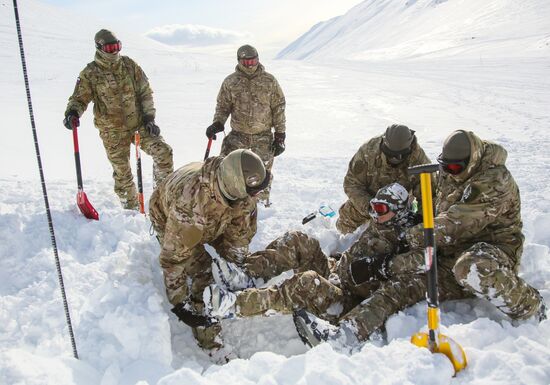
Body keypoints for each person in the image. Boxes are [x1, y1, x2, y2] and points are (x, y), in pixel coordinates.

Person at [294, 130, 546, 348]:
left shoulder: (495, 181)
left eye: (455, 168)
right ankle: (345, 335)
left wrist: (409, 237)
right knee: (399, 287)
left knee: (470, 267)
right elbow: (432, 207)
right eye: (445, 166)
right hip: (446, 253)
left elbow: (455, 223)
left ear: (473, 160)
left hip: (489, 251)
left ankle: (530, 306)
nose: (449, 172)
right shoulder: (450, 173)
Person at [202, 183, 421, 341]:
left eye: (381, 209)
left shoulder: (404, 241)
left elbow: (393, 290)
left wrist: (376, 270)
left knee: (307, 282)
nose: (374, 213)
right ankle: (246, 275)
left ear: (399, 212)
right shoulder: (381, 223)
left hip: (346, 300)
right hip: (338, 273)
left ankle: (236, 304)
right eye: (373, 206)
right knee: (299, 240)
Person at [148, 149, 270, 353]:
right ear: (237, 185)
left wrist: (235, 268)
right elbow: (173, 259)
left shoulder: (240, 192)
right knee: (204, 270)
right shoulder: (189, 207)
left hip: (215, 214)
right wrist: (180, 304)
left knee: (234, 260)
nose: (257, 196)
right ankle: (209, 338)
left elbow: (239, 237)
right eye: (253, 192)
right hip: (170, 216)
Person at [64, 29, 173, 210]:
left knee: (164, 152)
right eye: (110, 48)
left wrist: (149, 118)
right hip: (112, 131)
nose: (115, 51)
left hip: (138, 124)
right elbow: (79, 98)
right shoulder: (90, 73)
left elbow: (145, 92)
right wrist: (73, 113)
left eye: (117, 46)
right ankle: (130, 210)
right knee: (123, 173)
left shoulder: (129, 65)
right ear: (99, 48)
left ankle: (162, 199)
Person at [206, 44, 286, 205]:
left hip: (262, 135)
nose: (251, 65)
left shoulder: (269, 81)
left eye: (253, 61)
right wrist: (217, 123)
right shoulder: (231, 82)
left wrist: (280, 135)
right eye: (247, 62)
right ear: (239, 61)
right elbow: (222, 106)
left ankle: (261, 205)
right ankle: (226, 200)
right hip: (238, 135)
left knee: (262, 172)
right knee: (227, 167)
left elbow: (279, 107)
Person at [336, 124, 431, 234]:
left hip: (397, 207)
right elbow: (352, 184)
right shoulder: (368, 151)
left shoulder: (419, 159)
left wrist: (420, 219)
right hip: (368, 199)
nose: (393, 159)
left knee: (401, 237)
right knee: (344, 226)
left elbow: (428, 195)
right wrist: (369, 207)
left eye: (399, 156)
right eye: (390, 154)